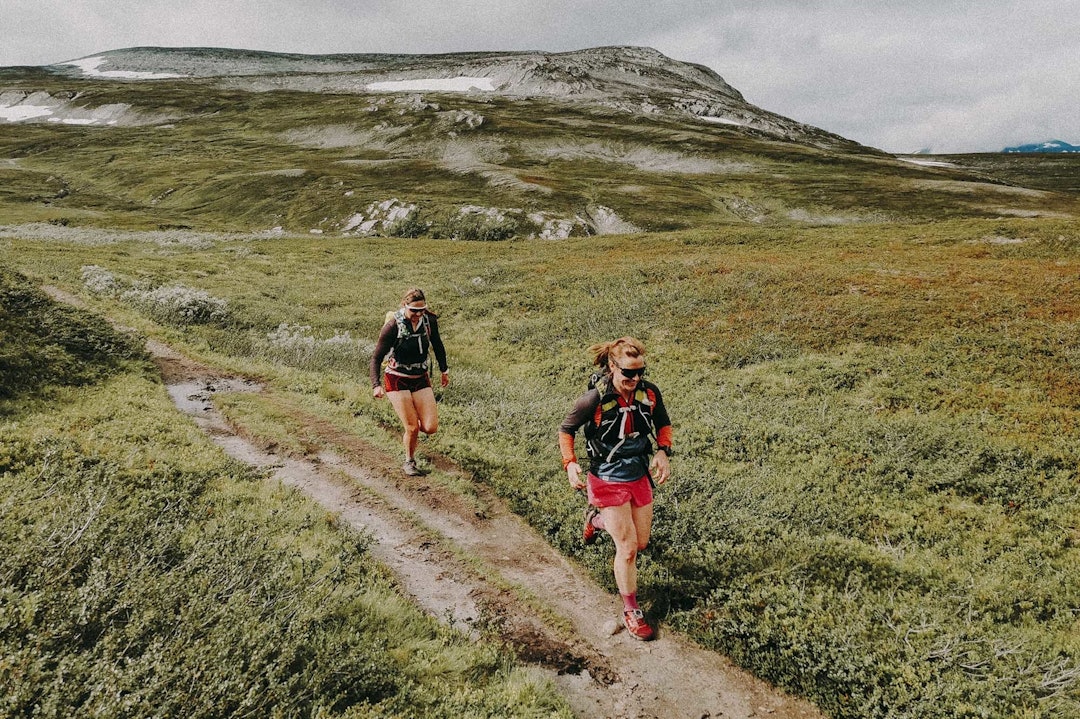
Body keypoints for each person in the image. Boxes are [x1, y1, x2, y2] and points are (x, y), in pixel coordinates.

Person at [558, 336, 672, 640]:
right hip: (607, 477)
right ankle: (631, 610)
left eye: (640, 372)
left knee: (643, 542)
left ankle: (596, 520)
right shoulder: (593, 399)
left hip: (638, 474)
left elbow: (663, 423)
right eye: (628, 373)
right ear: (612, 366)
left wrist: (662, 451)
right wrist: (570, 463)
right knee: (629, 548)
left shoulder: (649, 393)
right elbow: (566, 430)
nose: (635, 379)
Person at [370, 288, 449, 476]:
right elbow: (375, 358)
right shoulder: (392, 326)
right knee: (412, 427)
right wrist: (376, 385)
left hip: (420, 377)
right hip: (397, 378)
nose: (418, 314)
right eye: (414, 310)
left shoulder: (429, 321)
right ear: (404, 306)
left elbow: (437, 345)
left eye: (422, 309)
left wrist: (444, 370)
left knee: (430, 427)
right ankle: (409, 461)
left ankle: (410, 430)